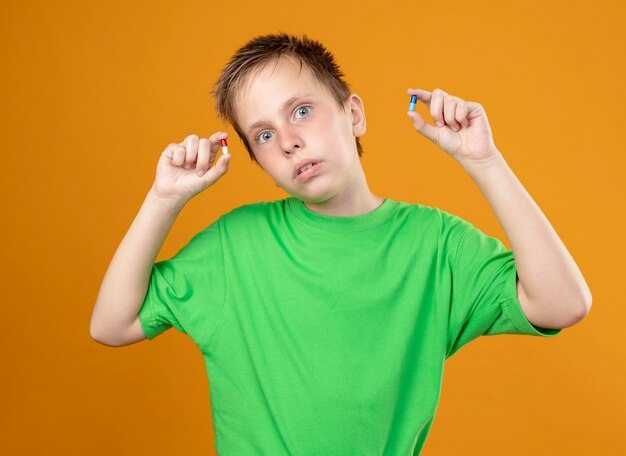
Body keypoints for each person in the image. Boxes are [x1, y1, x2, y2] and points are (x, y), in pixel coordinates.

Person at [90, 32, 591, 455]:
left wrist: (485, 162)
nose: (287, 140)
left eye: (302, 110)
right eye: (263, 136)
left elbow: (563, 303)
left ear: (353, 114)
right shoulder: (233, 245)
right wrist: (163, 199)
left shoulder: (434, 244)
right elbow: (113, 324)